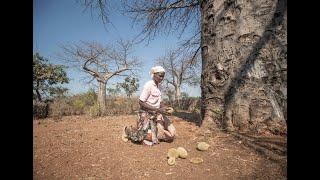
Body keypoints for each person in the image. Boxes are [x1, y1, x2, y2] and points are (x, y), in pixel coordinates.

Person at [124, 66, 176, 145]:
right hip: (146, 113)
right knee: (146, 141)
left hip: (156, 113)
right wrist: (158, 110)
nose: (162, 78)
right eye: (160, 75)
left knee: (172, 134)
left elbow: (159, 101)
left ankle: (154, 132)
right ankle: (127, 131)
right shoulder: (149, 85)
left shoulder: (159, 86)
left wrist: (165, 108)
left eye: (163, 76)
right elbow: (141, 102)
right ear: (154, 75)